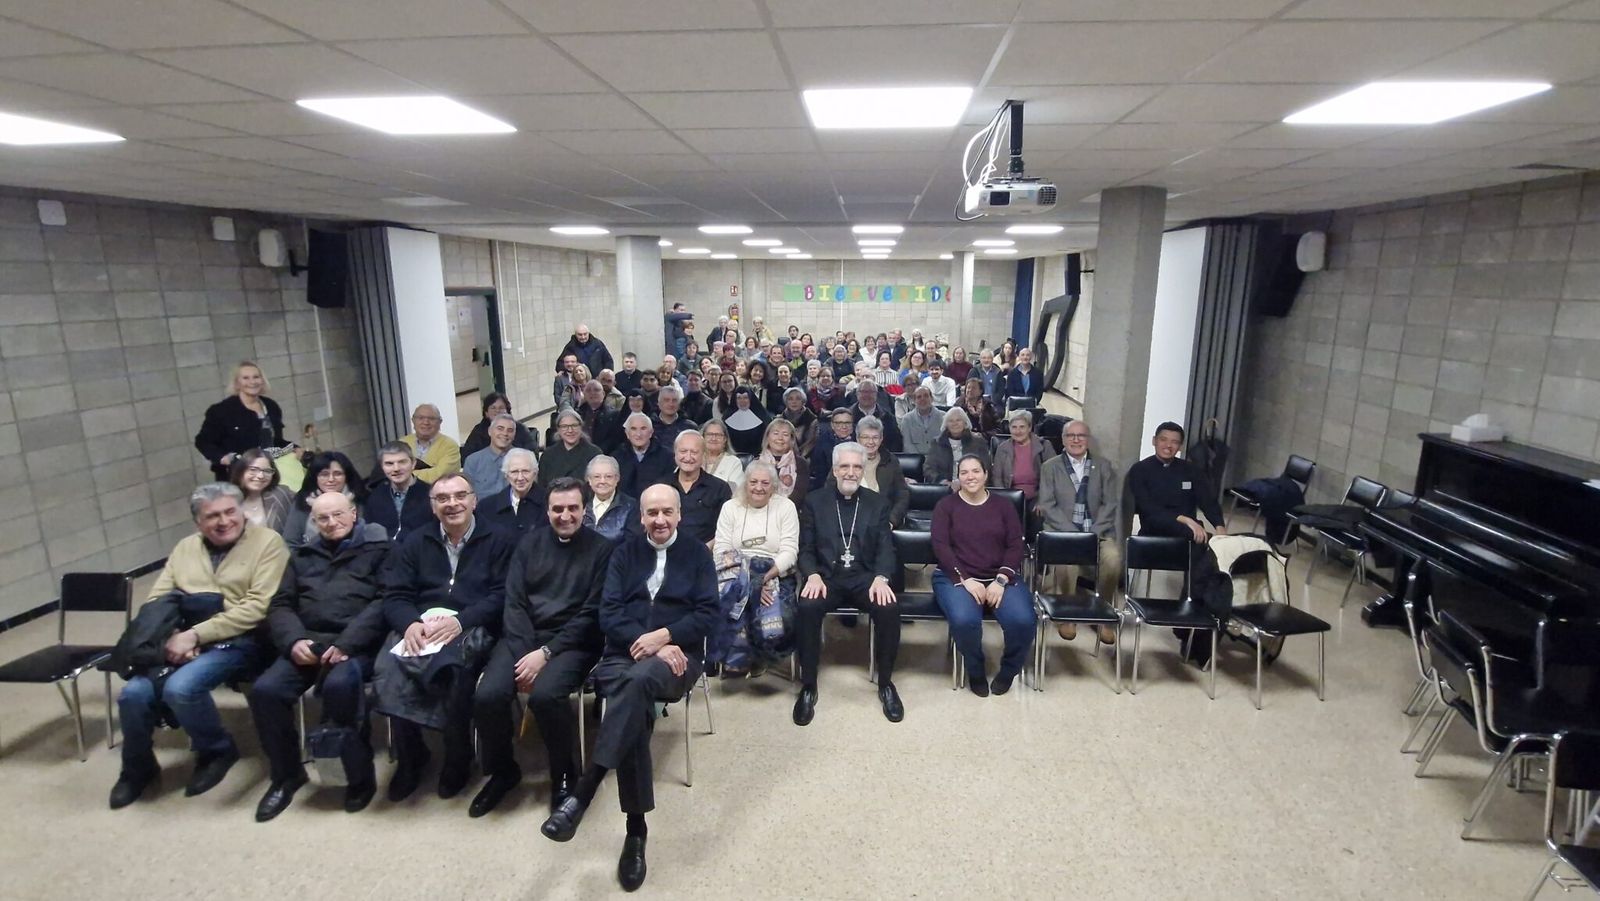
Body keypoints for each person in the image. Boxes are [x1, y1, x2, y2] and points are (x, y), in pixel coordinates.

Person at [539, 484, 720, 894]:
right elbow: (609, 613)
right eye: (652, 513)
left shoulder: (696, 555)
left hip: (678, 657)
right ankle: (635, 832)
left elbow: (709, 614)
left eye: (667, 512)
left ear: (679, 514)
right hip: (624, 653)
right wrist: (646, 641)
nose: (660, 520)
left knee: (633, 686)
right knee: (632, 694)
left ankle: (586, 792)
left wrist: (667, 636)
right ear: (641, 517)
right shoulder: (624, 554)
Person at [109, 483, 289, 809]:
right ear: (198, 522)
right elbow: (159, 599)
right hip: (182, 637)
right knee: (132, 695)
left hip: (243, 639)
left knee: (181, 687)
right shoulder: (185, 548)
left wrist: (196, 635)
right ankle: (137, 767)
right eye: (213, 516)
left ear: (242, 511)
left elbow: (257, 607)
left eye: (230, 511)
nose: (224, 521)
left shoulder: (268, 543)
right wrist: (176, 634)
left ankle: (217, 750)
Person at [470, 477, 614, 818]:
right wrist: (527, 654)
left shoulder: (603, 550)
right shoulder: (528, 544)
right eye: (557, 508)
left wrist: (546, 654)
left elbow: (592, 613)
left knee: (547, 696)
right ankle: (503, 772)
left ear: (584, 509)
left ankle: (564, 774)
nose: (565, 515)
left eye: (573, 508)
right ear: (547, 510)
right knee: (488, 695)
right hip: (523, 638)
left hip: (573, 642)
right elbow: (514, 602)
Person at [374, 472, 516, 804]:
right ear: (432, 505)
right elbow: (395, 595)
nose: (452, 504)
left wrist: (461, 621)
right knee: (389, 668)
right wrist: (409, 623)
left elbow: (503, 595)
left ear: (474, 501)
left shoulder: (501, 539)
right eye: (442, 498)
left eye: (459, 496)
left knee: (454, 673)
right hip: (421, 626)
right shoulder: (415, 541)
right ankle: (411, 757)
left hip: (473, 624)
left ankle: (457, 756)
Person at [247, 492, 389, 821]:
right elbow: (280, 605)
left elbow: (384, 601)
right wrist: (294, 641)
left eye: (338, 515)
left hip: (355, 645)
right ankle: (286, 775)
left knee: (340, 688)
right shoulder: (300, 557)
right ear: (314, 521)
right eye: (322, 518)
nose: (331, 522)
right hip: (307, 644)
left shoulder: (379, 552)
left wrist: (347, 644)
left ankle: (358, 777)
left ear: (353, 514)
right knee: (265, 691)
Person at [793, 442, 902, 726]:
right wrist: (812, 574)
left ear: (863, 469)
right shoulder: (815, 501)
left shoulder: (877, 503)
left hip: (865, 577)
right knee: (807, 607)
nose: (851, 472)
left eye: (856, 466)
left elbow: (886, 548)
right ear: (834, 469)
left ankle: (886, 683)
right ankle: (808, 686)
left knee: (889, 607)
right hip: (826, 578)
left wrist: (881, 577)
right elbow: (805, 548)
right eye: (844, 466)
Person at [933, 455, 1032, 697]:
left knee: (1023, 621)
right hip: (956, 576)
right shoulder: (946, 506)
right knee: (964, 620)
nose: (970, 477)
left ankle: (1008, 671)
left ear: (986, 474)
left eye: (975, 471)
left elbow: (1015, 545)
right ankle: (975, 670)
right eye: (964, 472)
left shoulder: (1004, 506)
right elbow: (941, 547)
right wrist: (966, 579)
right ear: (958, 476)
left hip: (999, 576)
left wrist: (1001, 579)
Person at [710, 460, 799, 676]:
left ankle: (760, 657)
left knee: (781, 614)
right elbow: (721, 549)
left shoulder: (786, 507)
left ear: (773, 486)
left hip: (774, 571)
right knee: (729, 604)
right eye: (753, 482)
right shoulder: (730, 507)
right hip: (736, 571)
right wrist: (749, 582)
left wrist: (763, 580)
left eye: (765, 483)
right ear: (745, 483)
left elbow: (789, 552)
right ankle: (737, 658)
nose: (758, 487)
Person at [1036, 419, 1121, 644]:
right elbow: (1047, 505)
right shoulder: (1050, 467)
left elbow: (1110, 504)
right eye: (1070, 436)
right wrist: (1074, 535)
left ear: (1088, 439)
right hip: (1063, 533)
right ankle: (1068, 614)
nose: (1076, 440)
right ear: (1063, 440)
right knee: (1067, 566)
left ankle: (1102, 613)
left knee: (1113, 560)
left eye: (1081, 436)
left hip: (1098, 532)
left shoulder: (1104, 466)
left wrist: (1092, 534)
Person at [1128, 421, 1227, 544]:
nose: (1168, 445)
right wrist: (1184, 520)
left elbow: (1207, 499)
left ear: (1180, 446)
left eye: (1175, 442)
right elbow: (1147, 507)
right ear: (1154, 441)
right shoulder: (1140, 469)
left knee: (1215, 542)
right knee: (1204, 538)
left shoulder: (1191, 469)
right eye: (1163, 440)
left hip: (1189, 528)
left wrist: (1219, 526)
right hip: (1155, 526)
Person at [194, 361, 288, 480]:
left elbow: (276, 442)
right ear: (237, 383)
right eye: (245, 378)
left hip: (268, 474)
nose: (252, 382)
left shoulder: (271, 406)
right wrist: (224, 458)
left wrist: (295, 448)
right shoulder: (221, 411)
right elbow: (203, 442)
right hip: (236, 476)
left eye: (256, 377)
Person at [658, 430, 731, 546]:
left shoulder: (720, 488)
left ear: (704, 455)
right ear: (675, 453)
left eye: (694, 452)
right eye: (683, 451)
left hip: (706, 552)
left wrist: (703, 550)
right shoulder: (660, 487)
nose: (688, 457)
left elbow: (726, 530)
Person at [284, 451, 367, 547]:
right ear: (315, 477)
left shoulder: (360, 498)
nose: (331, 479)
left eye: (338, 474)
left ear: (347, 476)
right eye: (324, 474)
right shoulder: (303, 501)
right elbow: (291, 542)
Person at [365, 441, 434, 540]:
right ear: (382, 467)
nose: (396, 468)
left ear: (413, 464)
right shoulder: (375, 496)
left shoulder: (430, 494)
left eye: (402, 462)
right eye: (389, 464)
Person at [854, 415, 909, 528]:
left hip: (883, 521)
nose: (870, 442)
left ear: (881, 439)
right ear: (858, 439)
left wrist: (891, 521)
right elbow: (831, 491)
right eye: (865, 437)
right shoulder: (846, 460)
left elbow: (902, 495)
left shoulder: (891, 461)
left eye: (875, 437)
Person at [990, 410, 1056, 502]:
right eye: (1014, 427)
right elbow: (997, 478)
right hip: (1010, 498)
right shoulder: (1002, 448)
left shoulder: (1044, 446)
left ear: (1029, 428)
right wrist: (1004, 499)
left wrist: (1043, 500)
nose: (1018, 431)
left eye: (1022, 427)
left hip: (1039, 497)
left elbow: (1053, 476)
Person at [229, 448, 295, 534]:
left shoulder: (282, 493)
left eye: (267, 471)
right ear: (241, 471)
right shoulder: (227, 500)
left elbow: (304, 501)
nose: (261, 476)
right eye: (253, 469)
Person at [480, 448, 546, 533]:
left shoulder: (549, 502)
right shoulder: (486, 507)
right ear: (506, 475)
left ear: (535, 473)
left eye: (525, 471)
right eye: (514, 472)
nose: (520, 478)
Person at [924, 407, 990, 486]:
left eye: (958, 420)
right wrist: (943, 482)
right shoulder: (936, 443)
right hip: (944, 488)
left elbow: (985, 467)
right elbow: (929, 469)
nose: (955, 423)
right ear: (946, 424)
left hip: (972, 485)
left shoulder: (978, 442)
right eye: (951, 421)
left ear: (965, 423)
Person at [460, 393, 538, 459]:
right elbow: (467, 455)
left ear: (507, 411)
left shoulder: (520, 428)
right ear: (486, 413)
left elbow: (532, 453)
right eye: (493, 408)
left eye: (501, 408)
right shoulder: (478, 431)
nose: (497, 411)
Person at [615, 413, 674, 500]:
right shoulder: (616, 458)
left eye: (643, 428)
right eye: (633, 429)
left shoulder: (667, 457)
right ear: (627, 434)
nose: (638, 434)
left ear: (651, 432)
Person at [584, 455, 642, 543]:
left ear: (617, 478)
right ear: (589, 480)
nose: (602, 481)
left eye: (608, 476)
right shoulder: (581, 504)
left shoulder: (631, 507)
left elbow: (631, 544)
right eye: (597, 477)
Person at [402, 403, 461, 484]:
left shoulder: (450, 446)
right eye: (421, 418)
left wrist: (404, 475)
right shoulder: (402, 443)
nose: (426, 422)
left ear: (440, 422)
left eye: (431, 418)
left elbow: (440, 476)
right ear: (413, 420)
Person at [463, 414, 518, 500]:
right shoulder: (473, 461)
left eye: (510, 430)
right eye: (500, 428)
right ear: (490, 431)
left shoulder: (524, 459)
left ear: (514, 435)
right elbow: (467, 495)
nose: (505, 433)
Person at [541, 409, 602, 486]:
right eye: (564, 426)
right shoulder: (547, 455)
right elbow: (542, 485)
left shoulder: (594, 453)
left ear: (581, 427)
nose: (570, 430)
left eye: (574, 425)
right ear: (558, 429)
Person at [758, 416, 809, 505]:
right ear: (767, 437)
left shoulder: (801, 463)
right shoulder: (756, 463)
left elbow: (799, 494)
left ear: (791, 440)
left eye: (785, 434)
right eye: (776, 433)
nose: (780, 438)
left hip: (790, 508)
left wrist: (782, 509)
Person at [848, 380, 903, 453]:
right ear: (857, 394)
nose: (867, 395)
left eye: (871, 392)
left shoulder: (888, 417)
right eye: (863, 391)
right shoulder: (848, 416)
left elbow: (896, 443)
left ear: (876, 394)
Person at [810, 408, 855, 491]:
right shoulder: (823, 442)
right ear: (832, 425)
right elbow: (820, 473)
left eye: (847, 423)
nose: (844, 427)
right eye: (839, 423)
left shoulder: (860, 440)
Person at [722, 386, 770, 456]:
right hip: (733, 456)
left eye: (745, 397)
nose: (742, 401)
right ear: (735, 400)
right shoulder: (727, 417)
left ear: (750, 399)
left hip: (757, 457)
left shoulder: (762, 416)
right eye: (739, 398)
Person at [700, 420, 746, 486]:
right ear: (703, 437)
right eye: (709, 434)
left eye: (718, 435)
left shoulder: (733, 462)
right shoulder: (694, 459)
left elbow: (734, 489)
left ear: (725, 439)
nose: (713, 438)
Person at [898, 385, 941, 456]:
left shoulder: (943, 417)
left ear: (932, 399)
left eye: (926, 396)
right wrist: (920, 459)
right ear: (914, 401)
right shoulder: (906, 420)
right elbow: (907, 445)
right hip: (915, 460)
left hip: (938, 459)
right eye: (919, 397)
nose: (922, 399)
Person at [777, 387, 818, 458]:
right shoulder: (779, 420)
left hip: (807, 457)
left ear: (803, 402)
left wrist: (800, 457)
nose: (794, 402)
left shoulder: (812, 420)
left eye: (798, 399)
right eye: (790, 399)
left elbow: (811, 442)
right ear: (786, 402)